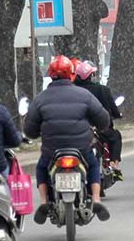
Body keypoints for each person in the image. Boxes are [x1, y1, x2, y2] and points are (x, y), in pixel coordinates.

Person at [24, 55, 111, 224]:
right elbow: (103, 119)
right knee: (93, 164)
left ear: (51, 75)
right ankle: (96, 198)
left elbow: (30, 129)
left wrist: (36, 133)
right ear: (71, 74)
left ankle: (43, 202)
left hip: (52, 150)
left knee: (42, 167)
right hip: (80, 148)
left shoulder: (40, 98)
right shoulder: (84, 95)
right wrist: (100, 127)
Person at [74, 60, 123, 178]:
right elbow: (112, 109)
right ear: (91, 76)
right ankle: (113, 163)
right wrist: (117, 115)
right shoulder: (102, 90)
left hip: (77, 130)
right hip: (100, 129)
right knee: (116, 137)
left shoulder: (72, 91)